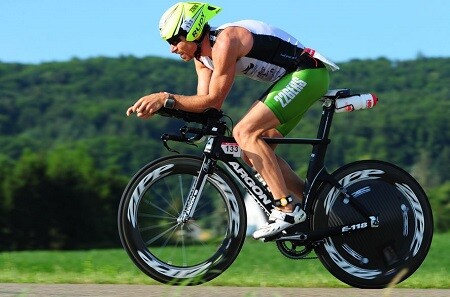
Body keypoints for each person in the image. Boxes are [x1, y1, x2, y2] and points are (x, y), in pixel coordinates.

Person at [126, 2, 339, 239]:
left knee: (244, 133)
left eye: (174, 41)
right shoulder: (202, 60)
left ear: (193, 31)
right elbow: (205, 106)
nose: (172, 49)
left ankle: (286, 209)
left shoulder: (226, 41)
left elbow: (214, 99)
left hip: (308, 74)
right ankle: (320, 204)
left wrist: (166, 97)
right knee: (251, 152)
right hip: (293, 81)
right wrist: (163, 107)